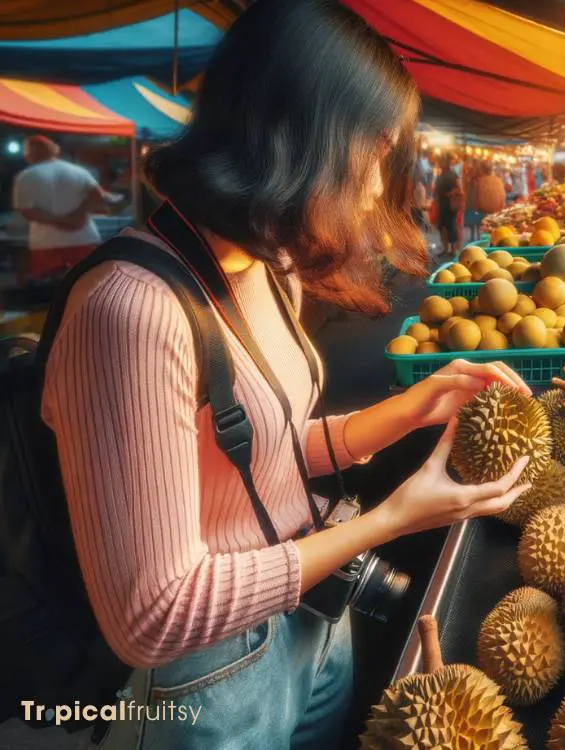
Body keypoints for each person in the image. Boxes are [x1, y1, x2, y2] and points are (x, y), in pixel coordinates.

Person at [43, 2, 532, 748]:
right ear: (301, 138)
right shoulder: (130, 313)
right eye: (372, 154)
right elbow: (154, 616)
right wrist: (392, 519)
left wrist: (403, 413)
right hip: (208, 683)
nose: (376, 187)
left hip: (310, 623)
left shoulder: (268, 268)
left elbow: (256, 451)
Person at [12, 135, 112, 280]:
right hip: (84, 238)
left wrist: (61, 220)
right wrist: (78, 215)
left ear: (28, 154)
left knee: (51, 293)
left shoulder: (26, 176)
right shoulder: (78, 171)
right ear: (54, 151)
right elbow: (98, 195)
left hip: (46, 243)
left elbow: (27, 211)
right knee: (88, 285)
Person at [433, 153, 464, 257]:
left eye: (442, 161)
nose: (440, 163)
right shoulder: (440, 174)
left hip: (450, 205)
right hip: (441, 204)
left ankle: (453, 250)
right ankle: (445, 249)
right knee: (442, 227)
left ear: (447, 163)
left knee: (451, 227)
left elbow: (459, 188)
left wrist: (451, 193)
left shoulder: (453, 174)